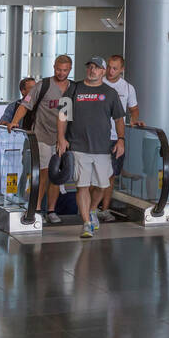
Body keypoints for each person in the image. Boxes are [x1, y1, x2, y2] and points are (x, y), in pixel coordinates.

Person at [57, 56, 125, 239]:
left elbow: (119, 119)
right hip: (78, 146)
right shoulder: (73, 89)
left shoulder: (110, 93)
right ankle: (86, 223)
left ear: (103, 71)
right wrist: (61, 138)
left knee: (102, 185)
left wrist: (121, 140)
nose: (92, 70)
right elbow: (62, 115)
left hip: (103, 148)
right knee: (82, 185)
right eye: (90, 66)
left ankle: (93, 209)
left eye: (96, 67)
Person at [3, 55, 73, 225]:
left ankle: (51, 210)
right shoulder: (43, 86)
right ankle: (36, 209)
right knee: (44, 173)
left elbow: (70, 114)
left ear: (69, 69)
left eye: (65, 70)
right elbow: (25, 105)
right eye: (58, 69)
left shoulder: (73, 88)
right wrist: (14, 121)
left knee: (56, 176)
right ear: (54, 67)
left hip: (62, 138)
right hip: (41, 135)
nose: (61, 73)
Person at [97, 54, 141, 223]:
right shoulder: (98, 82)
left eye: (115, 68)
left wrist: (134, 120)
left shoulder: (128, 88)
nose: (110, 71)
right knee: (94, 175)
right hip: (97, 136)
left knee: (111, 176)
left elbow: (134, 109)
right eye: (109, 67)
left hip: (116, 137)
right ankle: (91, 209)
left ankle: (104, 209)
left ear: (122, 69)